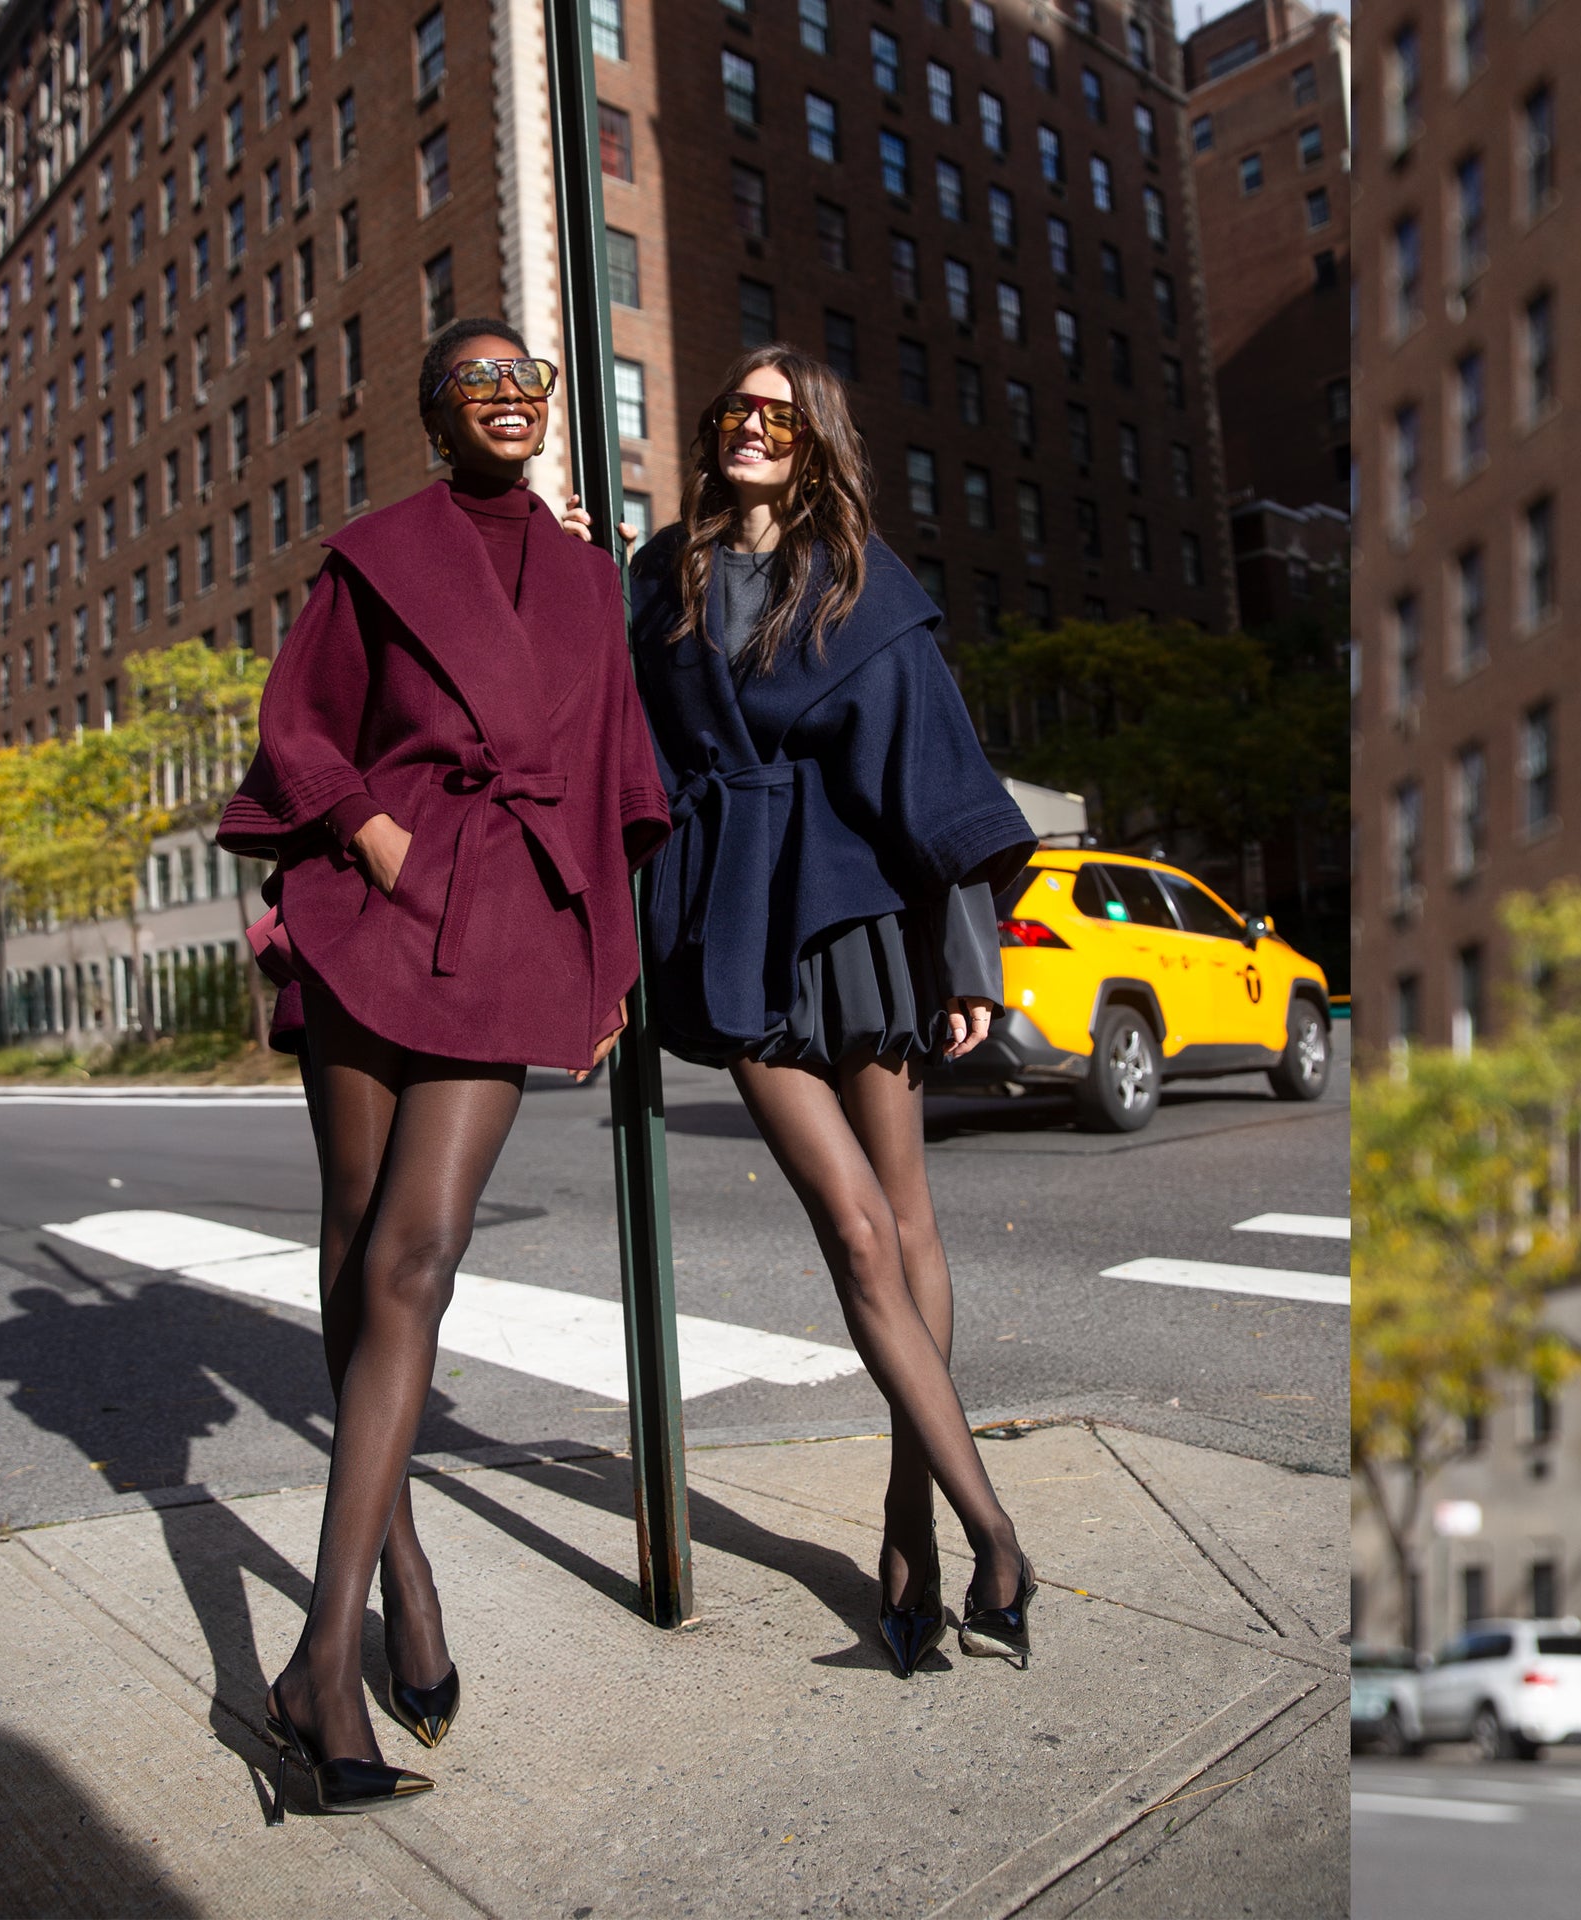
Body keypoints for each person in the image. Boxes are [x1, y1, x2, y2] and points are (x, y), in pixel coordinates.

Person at [217, 320, 669, 1811]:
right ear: (436, 414)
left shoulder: (592, 575)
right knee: (355, 1251)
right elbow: (302, 726)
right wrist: (370, 835)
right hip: (376, 910)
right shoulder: (377, 553)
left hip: (518, 924)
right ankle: (400, 1577)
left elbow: (615, 779)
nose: (512, 399)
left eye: (529, 382)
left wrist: (607, 961)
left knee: (417, 1264)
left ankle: (319, 1656)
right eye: (481, 383)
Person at [628, 347, 1039, 1679]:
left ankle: (914, 1519)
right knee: (858, 1235)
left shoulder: (868, 586)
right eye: (732, 411)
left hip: (865, 917)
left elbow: (936, 770)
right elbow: (616, 735)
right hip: (738, 925)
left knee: (908, 1221)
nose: (747, 427)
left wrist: (969, 959)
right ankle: (994, 1532)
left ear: (813, 440)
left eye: (775, 414)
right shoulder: (662, 577)